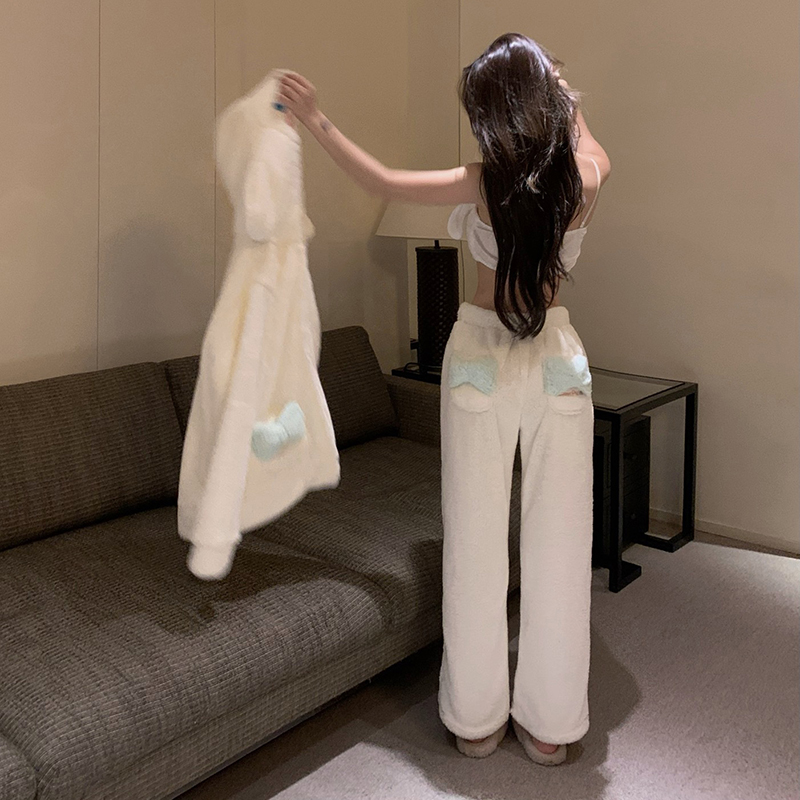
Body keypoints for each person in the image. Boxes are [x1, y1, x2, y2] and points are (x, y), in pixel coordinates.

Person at [276, 31, 611, 766]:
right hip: (557, 361)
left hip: (481, 356)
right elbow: (586, 140)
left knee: (474, 538)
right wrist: (561, 93)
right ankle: (551, 726)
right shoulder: (585, 179)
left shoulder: (482, 181)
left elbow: (383, 180)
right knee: (560, 543)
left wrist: (316, 118)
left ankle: (477, 718)